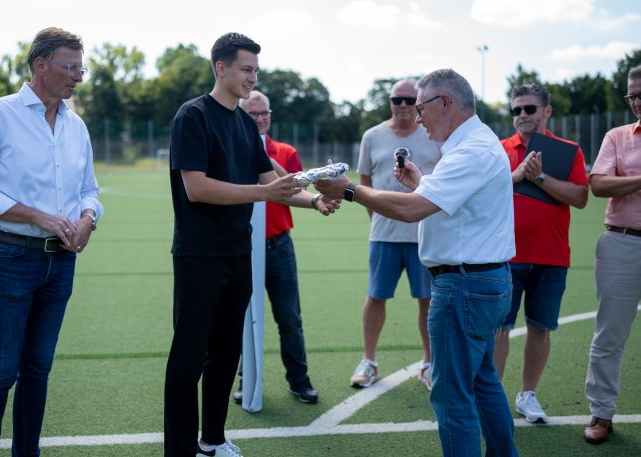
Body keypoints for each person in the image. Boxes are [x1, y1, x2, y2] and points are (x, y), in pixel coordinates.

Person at [315, 69, 518, 456]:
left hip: (464, 286)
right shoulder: (475, 142)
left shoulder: (470, 150)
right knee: (482, 382)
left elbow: (414, 212)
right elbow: (451, 206)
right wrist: (421, 182)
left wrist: (351, 190)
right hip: (480, 281)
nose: (417, 115)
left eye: (421, 105)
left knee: (453, 398)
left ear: (445, 102)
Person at [164, 33, 337, 457]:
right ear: (221, 67)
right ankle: (181, 449)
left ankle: (213, 439)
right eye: (246, 69)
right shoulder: (193, 117)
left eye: (256, 70)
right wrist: (265, 194)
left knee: (225, 353)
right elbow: (197, 188)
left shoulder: (245, 123)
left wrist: (314, 197)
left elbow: (272, 182)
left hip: (238, 254)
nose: (252, 77)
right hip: (199, 254)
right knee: (189, 356)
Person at [0, 27, 102, 456]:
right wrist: (37, 215)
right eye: (70, 67)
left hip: (61, 262)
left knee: (38, 370)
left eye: (81, 67)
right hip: (9, 255)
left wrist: (88, 219)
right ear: (41, 65)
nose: (78, 76)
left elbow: (90, 190)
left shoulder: (77, 127)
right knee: (0, 372)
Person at [493, 83, 588, 424]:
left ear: (547, 111)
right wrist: (520, 176)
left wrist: (541, 177)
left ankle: (527, 395)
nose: (522, 116)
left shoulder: (568, 151)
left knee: (539, 327)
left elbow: (579, 198)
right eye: (516, 110)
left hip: (551, 256)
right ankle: (493, 398)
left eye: (529, 109)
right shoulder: (499, 149)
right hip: (505, 255)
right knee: (498, 329)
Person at [231, 90, 324, 405]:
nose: (259, 120)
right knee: (243, 318)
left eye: (264, 114)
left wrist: (313, 201)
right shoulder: (231, 150)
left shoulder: (285, 151)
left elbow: (295, 188)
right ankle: (248, 380)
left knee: (289, 317)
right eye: (252, 114)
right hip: (243, 247)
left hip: (279, 246)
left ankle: (299, 380)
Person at [349, 80, 440, 390]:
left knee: (428, 300)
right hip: (384, 235)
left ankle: (429, 364)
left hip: (424, 235)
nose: (402, 105)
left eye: (408, 100)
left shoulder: (432, 135)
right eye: (396, 99)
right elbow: (364, 183)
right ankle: (369, 361)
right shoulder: (372, 136)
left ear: (418, 103)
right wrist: (381, 219)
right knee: (375, 296)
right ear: (389, 102)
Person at [583, 64, 641, 445]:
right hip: (623, 241)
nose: (637, 102)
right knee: (609, 335)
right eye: (632, 95)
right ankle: (601, 413)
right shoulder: (617, 136)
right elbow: (599, 184)